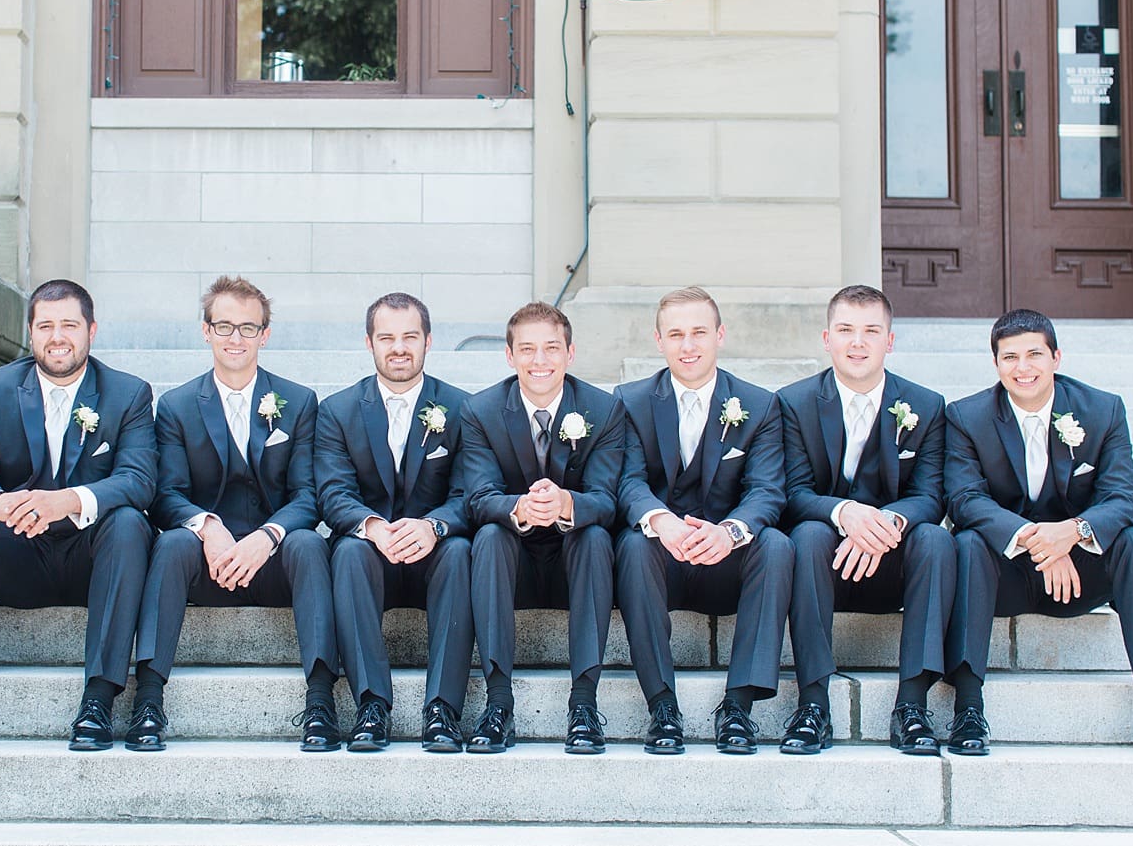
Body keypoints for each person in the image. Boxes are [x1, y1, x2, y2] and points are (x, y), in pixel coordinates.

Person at [0, 280, 156, 751]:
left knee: (130, 523)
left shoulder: (128, 394)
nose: (58, 336)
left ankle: (99, 700)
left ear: (90, 330)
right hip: (18, 554)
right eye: (46, 326)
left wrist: (65, 500)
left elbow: (138, 479)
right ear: (31, 333)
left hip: (93, 562)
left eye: (69, 324)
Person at [943, 308, 1133, 758]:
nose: (1023, 368)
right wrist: (1039, 539)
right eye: (1010, 357)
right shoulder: (966, 417)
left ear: (1056, 357)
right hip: (1006, 574)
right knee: (964, 543)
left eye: (1035, 354)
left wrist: (1072, 534)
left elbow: (1122, 499)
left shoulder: (1103, 409)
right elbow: (963, 500)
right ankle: (968, 708)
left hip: (1080, 574)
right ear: (996, 364)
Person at [131, 276, 336, 751]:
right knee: (171, 540)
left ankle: (322, 701)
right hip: (208, 564)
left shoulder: (299, 402)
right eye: (224, 326)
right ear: (206, 331)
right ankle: (147, 699)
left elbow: (310, 495)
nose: (235, 338)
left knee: (308, 541)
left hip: (275, 562)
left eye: (248, 327)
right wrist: (208, 527)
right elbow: (166, 494)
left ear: (265, 335)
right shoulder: (178, 405)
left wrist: (267, 537)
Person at [776, 284, 952, 756]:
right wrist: (845, 513)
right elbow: (790, 494)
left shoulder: (927, 406)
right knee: (809, 533)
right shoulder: (792, 403)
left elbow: (932, 495)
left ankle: (912, 706)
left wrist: (885, 524)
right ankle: (813, 704)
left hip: (895, 561)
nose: (858, 343)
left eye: (871, 331)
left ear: (889, 341)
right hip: (822, 562)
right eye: (846, 330)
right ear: (826, 338)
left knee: (935, 540)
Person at [614, 287, 791, 755]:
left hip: (726, 563)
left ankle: (738, 707)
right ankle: (662, 706)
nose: (688, 345)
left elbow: (767, 491)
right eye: (676, 334)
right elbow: (627, 481)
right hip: (662, 560)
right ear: (659, 341)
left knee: (775, 545)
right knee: (633, 545)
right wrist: (661, 522)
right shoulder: (629, 401)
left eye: (698, 333)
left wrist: (730, 532)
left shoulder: (759, 404)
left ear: (720, 336)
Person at [461, 301, 625, 754]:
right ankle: (498, 704)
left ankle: (584, 705)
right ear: (509, 356)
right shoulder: (480, 411)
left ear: (570, 353)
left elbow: (608, 500)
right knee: (490, 535)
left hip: (577, 560)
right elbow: (477, 498)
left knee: (593, 535)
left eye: (551, 348)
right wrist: (521, 508)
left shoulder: (603, 409)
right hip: (512, 563)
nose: (540, 361)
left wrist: (567, 502)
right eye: (527, 349)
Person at [317, 293, 473, 751]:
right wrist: (372, 528)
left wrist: (434, 527)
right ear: (369, 343)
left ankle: (443, 709)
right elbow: (332, 493)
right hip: (370, 552)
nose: (399, 347)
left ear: (428, 342)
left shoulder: (464, 409)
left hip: (436, 552)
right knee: (346, 550)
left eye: (410, 337)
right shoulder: (338, 411)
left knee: (463, 550)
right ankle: (371, 705)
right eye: (387, 337)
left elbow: (470, 494)